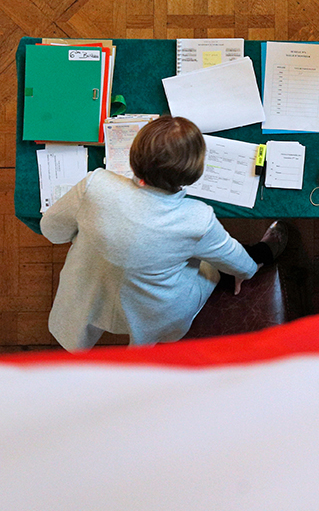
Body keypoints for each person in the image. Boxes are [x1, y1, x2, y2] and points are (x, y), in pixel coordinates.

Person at [40, 116, 287, 350]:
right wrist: (246, 270)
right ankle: (266, 250)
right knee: (211, 266)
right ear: (193, 173)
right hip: (153, 312)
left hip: (87, 293)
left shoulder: (96, 183)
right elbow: (241, 265)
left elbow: (51, 230)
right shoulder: (197, 218)